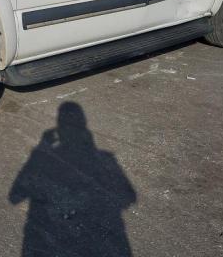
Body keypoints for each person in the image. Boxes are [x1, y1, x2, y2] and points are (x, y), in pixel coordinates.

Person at [9, 102, 136, 256]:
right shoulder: (105, 158)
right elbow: (128, 197)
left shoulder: (103, 158)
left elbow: (15, 196)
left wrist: (39, 152)